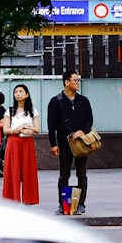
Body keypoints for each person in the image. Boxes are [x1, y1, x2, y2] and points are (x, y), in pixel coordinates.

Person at [46, 70, 93, 215]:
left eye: (78, 80)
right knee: (64, 175)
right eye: (75, 80)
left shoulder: (83, 100)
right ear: (67, 82)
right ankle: (64, 204)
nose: (78, 83)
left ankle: (80, 204)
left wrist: (82, 131)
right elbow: (51, 124)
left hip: (81, 143)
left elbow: (89, 120)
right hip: (64, 144)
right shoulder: (56, 101)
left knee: (82, 175)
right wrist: (53, 144)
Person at [2, 84, 40, 205]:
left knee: (29, 171)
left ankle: (29, 199)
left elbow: (37, 129)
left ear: (27, 94)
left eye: (20, 91)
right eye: (16, 92)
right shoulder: (10, 111)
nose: (18, 94)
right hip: (13, 142)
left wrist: (25, 128)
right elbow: (5, 130)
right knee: (13, 171)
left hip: (27, 143)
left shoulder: (33, 111)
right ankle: (12, 199)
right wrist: (18, 129)